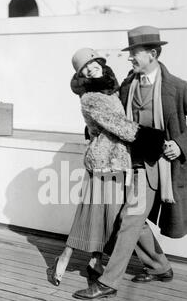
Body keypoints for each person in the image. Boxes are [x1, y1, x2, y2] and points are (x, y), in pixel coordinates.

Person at [72, 25, 187, 300]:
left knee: (129, 218)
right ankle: (160, 266)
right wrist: (92, 129)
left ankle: (108, 282)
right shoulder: (127, 83)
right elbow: (114, 119)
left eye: (134, 53)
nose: (130, 59)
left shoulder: (177, 87)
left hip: (159, 167)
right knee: (135, 220)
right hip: (128, 164)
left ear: (152, 53)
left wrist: (180, 145)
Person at [48, 47, 164, 286]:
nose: (92, 67)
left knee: (109, 216)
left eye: (94, 62)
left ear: (100, 63)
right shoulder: (90, 97)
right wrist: (149, 137)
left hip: (119, 162)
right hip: (102, 162)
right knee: (89, 215)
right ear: (82, 75)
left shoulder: (110, 89)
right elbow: (116, 124)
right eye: (86, 68)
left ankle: (95, 262)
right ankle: (64, 258)